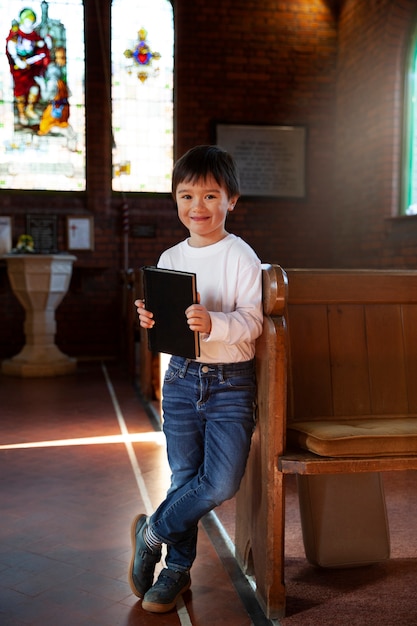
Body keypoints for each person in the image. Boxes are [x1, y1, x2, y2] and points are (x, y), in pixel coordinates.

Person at [130, 145, 263, 613]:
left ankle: (153, 532)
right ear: (175, 200)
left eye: (210, 196)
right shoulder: (169, 256)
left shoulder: (241, 257)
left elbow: (253, 323)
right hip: (182, 379)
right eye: (187, 196)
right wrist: (152, 320)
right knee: (185, 476)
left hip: (231, 384)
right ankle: (175, 570)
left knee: (220, 482)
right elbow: (170, 328)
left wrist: (216, 323)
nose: (198, 207)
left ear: (232, 200)